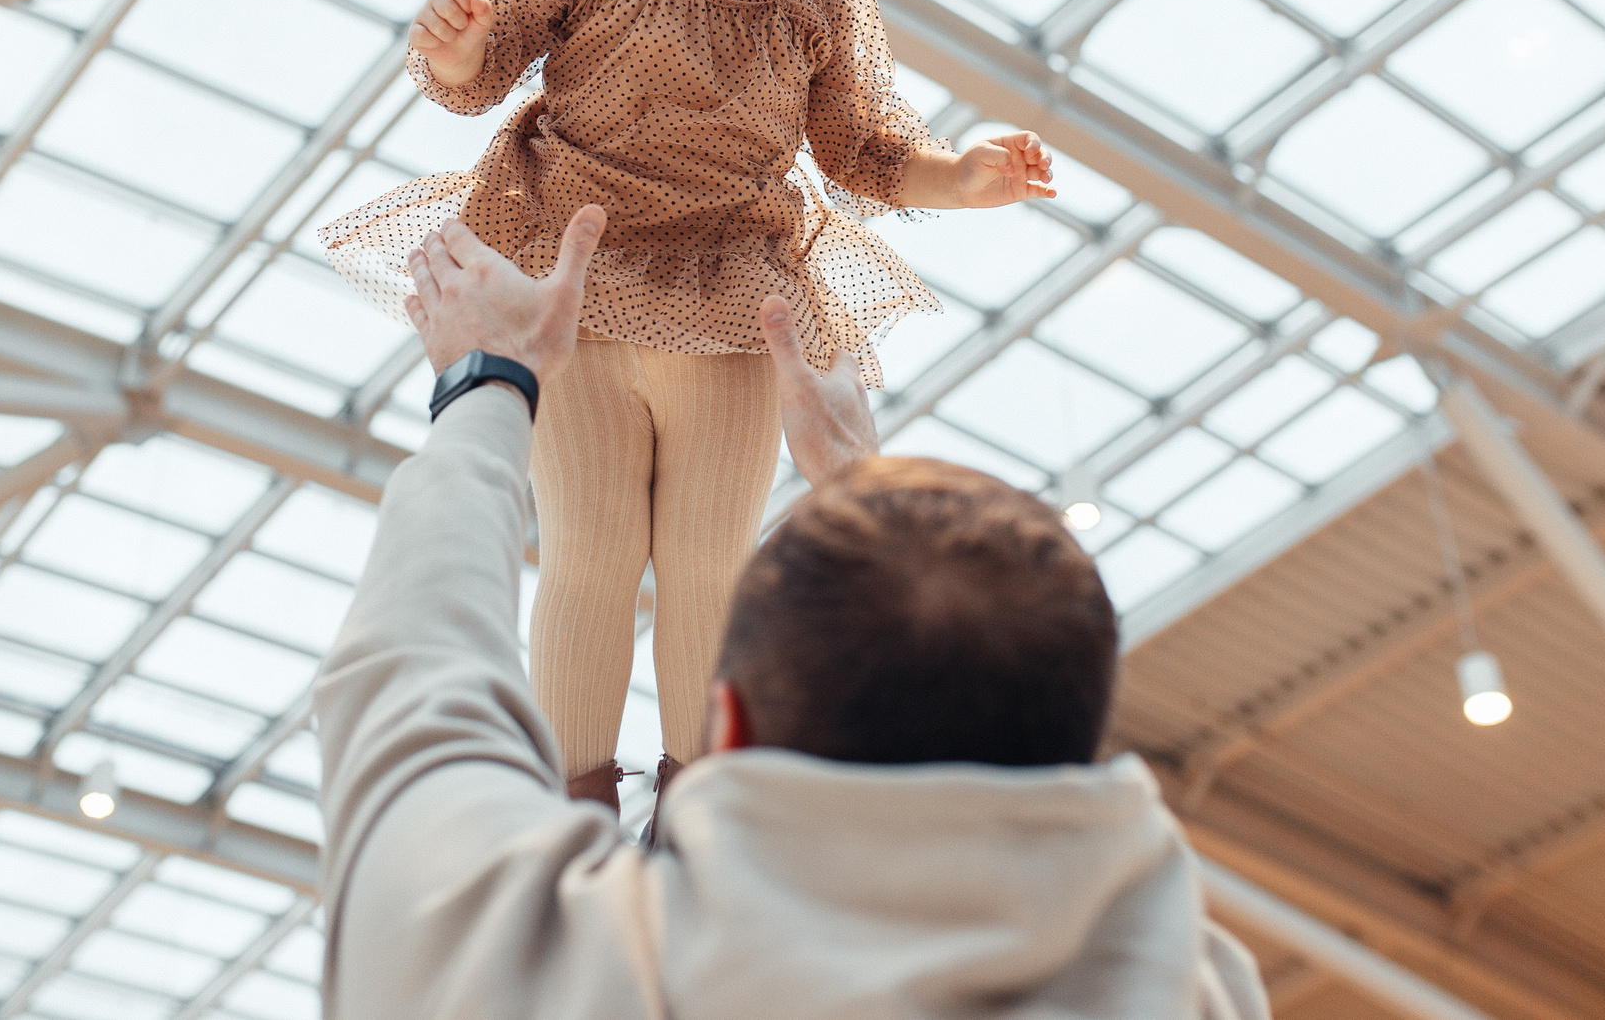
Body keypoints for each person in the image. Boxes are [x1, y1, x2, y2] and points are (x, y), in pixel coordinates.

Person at [321, 0, 1056, 813]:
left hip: (734, 298)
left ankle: (702, 811)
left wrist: (963, 177)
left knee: (713, 566)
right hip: (579, 276)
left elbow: (862, 147)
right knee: (591, 555)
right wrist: (463, 52)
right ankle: (568, 804)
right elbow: (492, 55)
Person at [312, 208, 1270, 1020]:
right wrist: (869, 491)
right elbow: (405, 676)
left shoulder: (550, 970)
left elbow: (408, 668)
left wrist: (489, 382)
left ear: (727, 730)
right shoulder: (1189, 986)